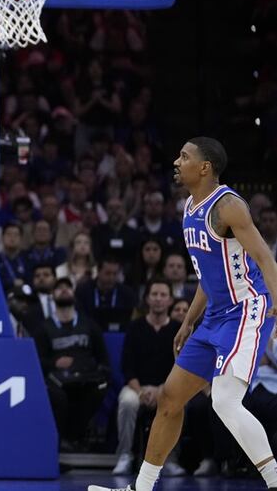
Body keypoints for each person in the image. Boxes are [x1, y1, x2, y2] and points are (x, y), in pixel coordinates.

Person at [91, 138, 277, 491]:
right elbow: (210, 274)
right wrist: (190, 320)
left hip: (246, 310)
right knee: (170, 398)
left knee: (223, 401)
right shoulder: (190, 205)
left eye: (184, 157)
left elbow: (266, 259)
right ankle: (140, 489)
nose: (176, 161)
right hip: (213, 317)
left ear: (204, 167)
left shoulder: (228, 206)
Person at [113, 279, 179, 475]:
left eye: (163, 295)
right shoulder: (135, 327)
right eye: (154, 295)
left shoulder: (177, 329)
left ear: (170, 300)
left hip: (166, 387)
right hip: (137, 386)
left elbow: (180, 367)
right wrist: (141, 391)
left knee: (176, 403)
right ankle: (125, 455)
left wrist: (161, 390)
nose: (158, 299)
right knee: (127, 402)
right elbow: (127, 366)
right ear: (147, 299)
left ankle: (169, 459)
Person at [36, 278, 109, 450]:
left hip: (85, 377)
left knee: (99, 390)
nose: (64, 290)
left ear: (73, 292)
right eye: (59, 288)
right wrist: (54, 363)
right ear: (52, 295)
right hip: (56, 380)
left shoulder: (89, 325)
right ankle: (62, 441)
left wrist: (87, 366)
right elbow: (37, 361)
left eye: (67, 287)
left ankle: (76, 438)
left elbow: (103, 358)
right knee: (59, 397)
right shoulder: (44, 328)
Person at [77, 257, 138, 332]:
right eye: (107, 273)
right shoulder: (83, 291)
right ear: (98, 272)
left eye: (115, 274)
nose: (111, 278)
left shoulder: (127, 294)